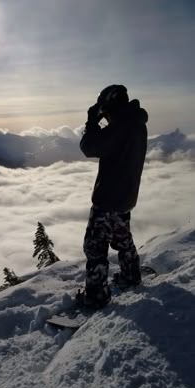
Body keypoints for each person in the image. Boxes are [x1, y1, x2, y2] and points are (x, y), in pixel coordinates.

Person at [76, 85, 148, 307]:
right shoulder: (136, 123)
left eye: (105, 111)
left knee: (95, 247)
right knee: (122, 239)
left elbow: (89, 147)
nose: (104, 116)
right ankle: (130, 275)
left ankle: (96, 296)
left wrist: (91, 122)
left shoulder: (120, 127)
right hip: (125, 197)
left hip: (108, 199)